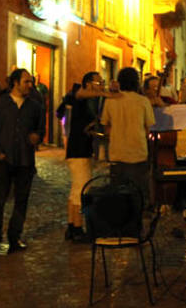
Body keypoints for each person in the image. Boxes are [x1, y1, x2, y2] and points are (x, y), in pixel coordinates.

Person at [0, 69, 45, 255]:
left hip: (25, 160)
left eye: (31, 82)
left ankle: (14, 236)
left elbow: (40, 129)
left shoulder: (35, 106)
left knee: (21, 200)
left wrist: (37, 137)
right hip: (5, 159)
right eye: (26, 82)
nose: (30, 85)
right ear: (15, 83)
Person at [65, 72, 118, 242]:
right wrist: (104, 93)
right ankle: (78, 229)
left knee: (76, 190)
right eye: (99, 82)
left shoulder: (91, 103)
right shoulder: (78, 92)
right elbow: (79, 94)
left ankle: (72, 227)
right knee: (82, 189)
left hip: (82, 149)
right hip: (77, 150)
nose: (102, 85)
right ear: (88, 84)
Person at [101, 67, 155, 202]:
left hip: (117, 154)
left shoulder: (110, 101)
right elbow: (148, 127)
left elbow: (106, 126)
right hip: (138, 154)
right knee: (138, 195)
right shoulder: (143, 101)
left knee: (118, 196)